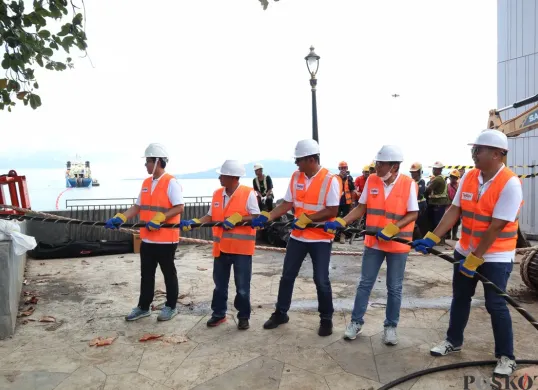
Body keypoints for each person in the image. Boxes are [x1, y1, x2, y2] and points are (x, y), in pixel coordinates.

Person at [411, 130, 522, 377]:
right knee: (460, 297)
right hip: (465, 249)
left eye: (479, 149)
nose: (474, 153)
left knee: (496, 305)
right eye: (474, 149)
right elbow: (454, 210)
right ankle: (453, 341)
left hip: (495, 256)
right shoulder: (470, 176)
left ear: (497, 154)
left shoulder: (510, 183)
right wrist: (432, 237)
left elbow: (496, 226)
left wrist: (476, 258)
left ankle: (506, 356)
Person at [324, 145, 418, 345]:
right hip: (373, 243)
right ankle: (355, 323)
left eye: (381, 163)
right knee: (364, 284)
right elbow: (361, 207)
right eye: (376, 162)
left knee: (394, 288)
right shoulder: (372, 180)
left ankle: (390, 327)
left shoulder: (408, 184)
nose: (377, 166)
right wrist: (342, 222)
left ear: (394, 167)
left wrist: (394, 228)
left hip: (397, 245)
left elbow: (413, 213)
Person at [252, 139, 340, 336]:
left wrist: (308, 219)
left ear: (311, 159)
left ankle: (326, 319)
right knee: (287, 276)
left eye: (298, 160)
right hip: (298, 237)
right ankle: (281, 313)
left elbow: (332, 210)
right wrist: (268, 216)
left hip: (320, 239)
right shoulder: (296, 176)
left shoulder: (330, 180)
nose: (296, 164)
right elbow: (286, 204)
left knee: (321, 280)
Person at [105, 143, 184, 322]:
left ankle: (171, 306)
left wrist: (160, 218)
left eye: (147, 161)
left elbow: (179, 208)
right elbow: (138, 206)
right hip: (147, 239)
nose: (146, 165)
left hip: (166, 240)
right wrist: (121, 218)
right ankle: (143, 307)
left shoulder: (171, 182)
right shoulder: (146, 183)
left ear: (157, 162)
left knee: (168, 273)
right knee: (146, 275)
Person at [180, 160, 259, 330]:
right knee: (219, 286)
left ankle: (243, 316)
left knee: (243, 288)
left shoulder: (248, 193)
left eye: (222, 175)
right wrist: (195, 222)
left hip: (241, 250)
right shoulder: (217, 194)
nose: (219, 178)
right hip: (221, 248)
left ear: (232, 177)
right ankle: (218, 314)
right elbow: (210, 216)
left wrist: (239, 218)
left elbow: (256, 217)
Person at [425, 161, 450, 245]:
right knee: (439, 221)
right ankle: (441, 239)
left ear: (438, 170)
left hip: (437, 204)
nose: (433, 171)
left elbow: (428, 189)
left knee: (436, 222)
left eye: (435, 169)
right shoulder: (442, 178)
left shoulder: (437, 179)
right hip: (440, 203)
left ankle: (439, 240)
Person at [335, 161, 355, 244]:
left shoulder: (349, 179)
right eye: (342, 168)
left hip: (346, 202)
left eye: (345, 168)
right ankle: (334, 235)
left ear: (347, 168)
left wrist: (352, 203)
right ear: (339, 169)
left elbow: (352, 191)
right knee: (335, 218)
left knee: (345, 219)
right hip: (337, 202)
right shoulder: (335, 178)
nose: (343, 169)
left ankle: (342, 236)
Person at [409, 162, 428, 239]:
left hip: (420, 205)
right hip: (413, 205)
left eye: (415, 172)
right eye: (412, 172)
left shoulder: (421, 182)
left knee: (417, 223)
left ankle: (419, 238)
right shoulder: (410, 182)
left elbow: (420, 192)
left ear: (419, 172)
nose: (413, 174)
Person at [446, 169, 460, 240]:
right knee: (448, 222)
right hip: (448, 207)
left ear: (457, 178)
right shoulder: (447, 186)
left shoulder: (459, 186)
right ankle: (448, 235)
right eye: (451, 177)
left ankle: (454, 235)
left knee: (456, 223)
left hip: (457, 208)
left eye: (454, 177)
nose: (453, 179)